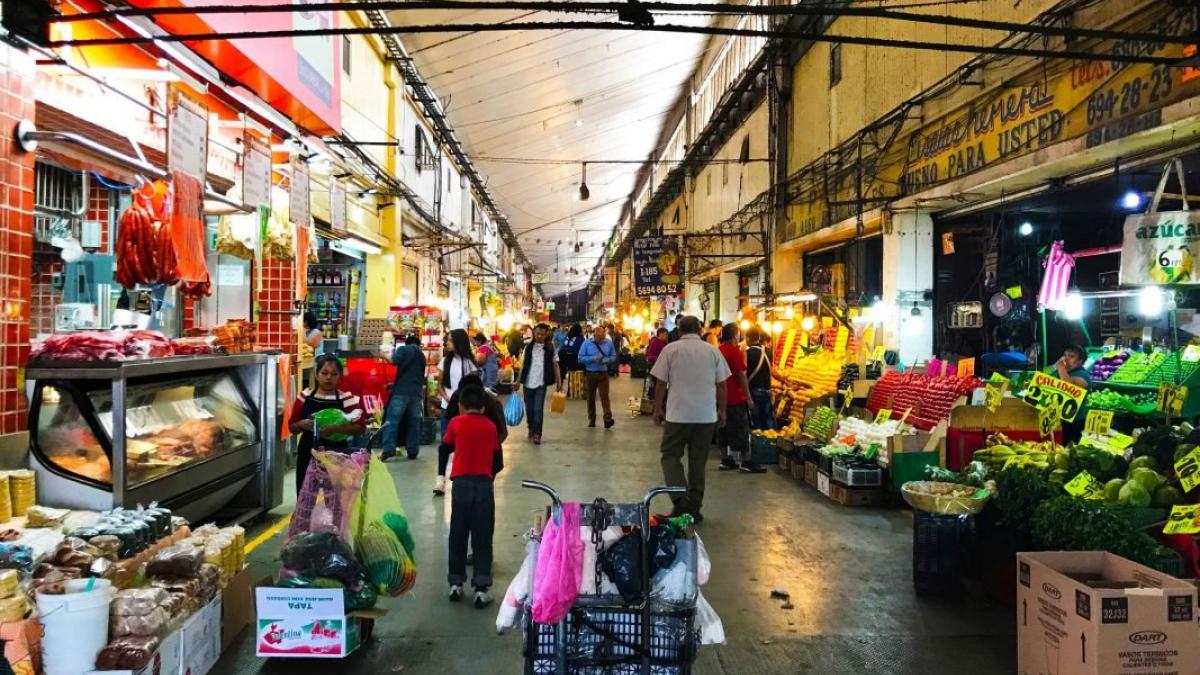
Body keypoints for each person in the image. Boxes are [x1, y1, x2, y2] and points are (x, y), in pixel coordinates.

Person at [650, 316, 731, 523]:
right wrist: (722, 410)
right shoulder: (713, 351)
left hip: (677, 415)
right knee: (698, 462)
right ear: (700, 329)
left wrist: (657, 408)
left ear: (679, 329)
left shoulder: (671, 350)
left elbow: (660, 383)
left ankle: (680, 500)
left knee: (670, 456)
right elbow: (722, 385)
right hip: (705, 417)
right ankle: (693, 507)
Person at [442, 384, 500, 608]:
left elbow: (446, 446)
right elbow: (495, 455)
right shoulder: (490, 427)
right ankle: (481, 588)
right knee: (482, 536)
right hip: (483, 485)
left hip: (461, 485)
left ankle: (455, 583)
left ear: (460, 406)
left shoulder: (455, 423)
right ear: (483, 408)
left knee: (457, 534)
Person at [287, 355, 367, 497]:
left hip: (336, 455)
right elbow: (292, 427)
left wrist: (336, 429)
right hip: (308, 453)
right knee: (305, 498)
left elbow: (360, 427)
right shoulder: (304, 397)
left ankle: (335, 520)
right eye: (324, 373)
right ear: (317, 375)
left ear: (340, 376)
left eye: (334, 374)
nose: (328, 377)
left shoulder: (347, 399)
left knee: (335, 500)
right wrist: (301, 424)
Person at [437, 373, 507, 496]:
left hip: (488, 460)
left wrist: (484, 449)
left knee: (482, 492)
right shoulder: (457, 397)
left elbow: (503, 433)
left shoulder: (493, 404)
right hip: (464, 456)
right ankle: (440, 480)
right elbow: (447, 440)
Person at [717, 323, 765, 473]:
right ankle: (746, 461)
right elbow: (741, 375)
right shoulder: (734, 352)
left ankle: (725, 459)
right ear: (734, 335)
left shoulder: (718, 351)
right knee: (741, 429)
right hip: (735, 397)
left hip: (718, 397)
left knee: (722, 428)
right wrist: (749, 397)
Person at [437, 329, 478, 494]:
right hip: (447, 408)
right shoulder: (445, 361)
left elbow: (474, 387)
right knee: (444, 445)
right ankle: (440, 479)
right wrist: (447, 398)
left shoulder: (469, 363)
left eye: (450, 341)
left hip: (464, 411)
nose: (447, 343)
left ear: (459, 343)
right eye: (447, 340)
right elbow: (440, 385)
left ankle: (459, 475)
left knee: (463, 445)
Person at [380, 334, 426, 461]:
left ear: (408, 343)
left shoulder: (404, 349)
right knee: (414, 423)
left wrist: (383, 355)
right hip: (416, 394)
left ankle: (389, 449)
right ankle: (412, 451)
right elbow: (415, 376)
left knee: (392, 421)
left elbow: (393, 360)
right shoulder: (422, 356)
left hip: (401, 393)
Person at [517, 323, 562, 444]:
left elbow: (555, 365)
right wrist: (517, 380)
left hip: (541, 384)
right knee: (529, 409)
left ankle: (537, 433)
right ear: (534, 333)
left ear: (546, 334)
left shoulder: (550, 348)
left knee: (538, 409)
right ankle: (531, 427)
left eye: (542, 334)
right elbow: (522, 365)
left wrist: (559, 382)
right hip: (527, 383)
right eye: (537, 334)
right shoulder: (528, 347)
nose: (540, 336)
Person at [579, 324, 618, 428]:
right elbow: (580, 358)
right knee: (590, 397)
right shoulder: (587, 343)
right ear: (595, 336)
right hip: (590, 374)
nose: (602, 340)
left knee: (605, 396)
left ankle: (607, 418)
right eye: (600, 338)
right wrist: (592, 359)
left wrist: (604, 360)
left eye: (603, 338)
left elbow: (613, 357)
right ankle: (592, 419)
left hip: (603, 374)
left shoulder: (608, 343)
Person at [1053, 344, 1092, 444]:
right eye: (1065, 355)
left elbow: (1067, 387)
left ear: (1080, 361)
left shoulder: (1083, 376)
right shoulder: (1057, 372)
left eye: (1071, 356)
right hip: (1056, 419)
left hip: (1073, 423)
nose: (1066, 358)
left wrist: (1061, 368)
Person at [744, 326, 777, 430]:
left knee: (756, 421)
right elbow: (772, 371)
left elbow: (743, 373)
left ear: (748, 338)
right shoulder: (768, 352)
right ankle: (771, 440)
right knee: (768, 420)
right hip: (767, 391)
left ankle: (758, 442)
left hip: (754, 391)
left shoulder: (747, 353)